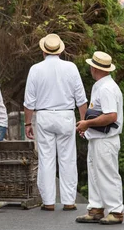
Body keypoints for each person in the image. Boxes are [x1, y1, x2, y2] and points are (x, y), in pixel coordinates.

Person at [23, 33, 87, 211]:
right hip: (66, 115)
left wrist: (28, 123)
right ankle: (68, 201)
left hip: (44, 116)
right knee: (67, 159)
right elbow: (81, 99)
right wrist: (84, 122)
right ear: (60, 51)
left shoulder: (35, 69)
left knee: (46, 159)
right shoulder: (71, 67)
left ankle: (49, 201)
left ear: (43, 51)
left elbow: (29, 101)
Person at [75, 51, 124, 225]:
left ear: (94, 68)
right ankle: (96, 208)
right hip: (98, 137)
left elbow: (111, 116)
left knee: (107, 173)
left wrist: (87, 124)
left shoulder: (106, 88)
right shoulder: (100, 85)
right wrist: (87, 126)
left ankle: (115, 210)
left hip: (106, 139)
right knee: (95, 173)